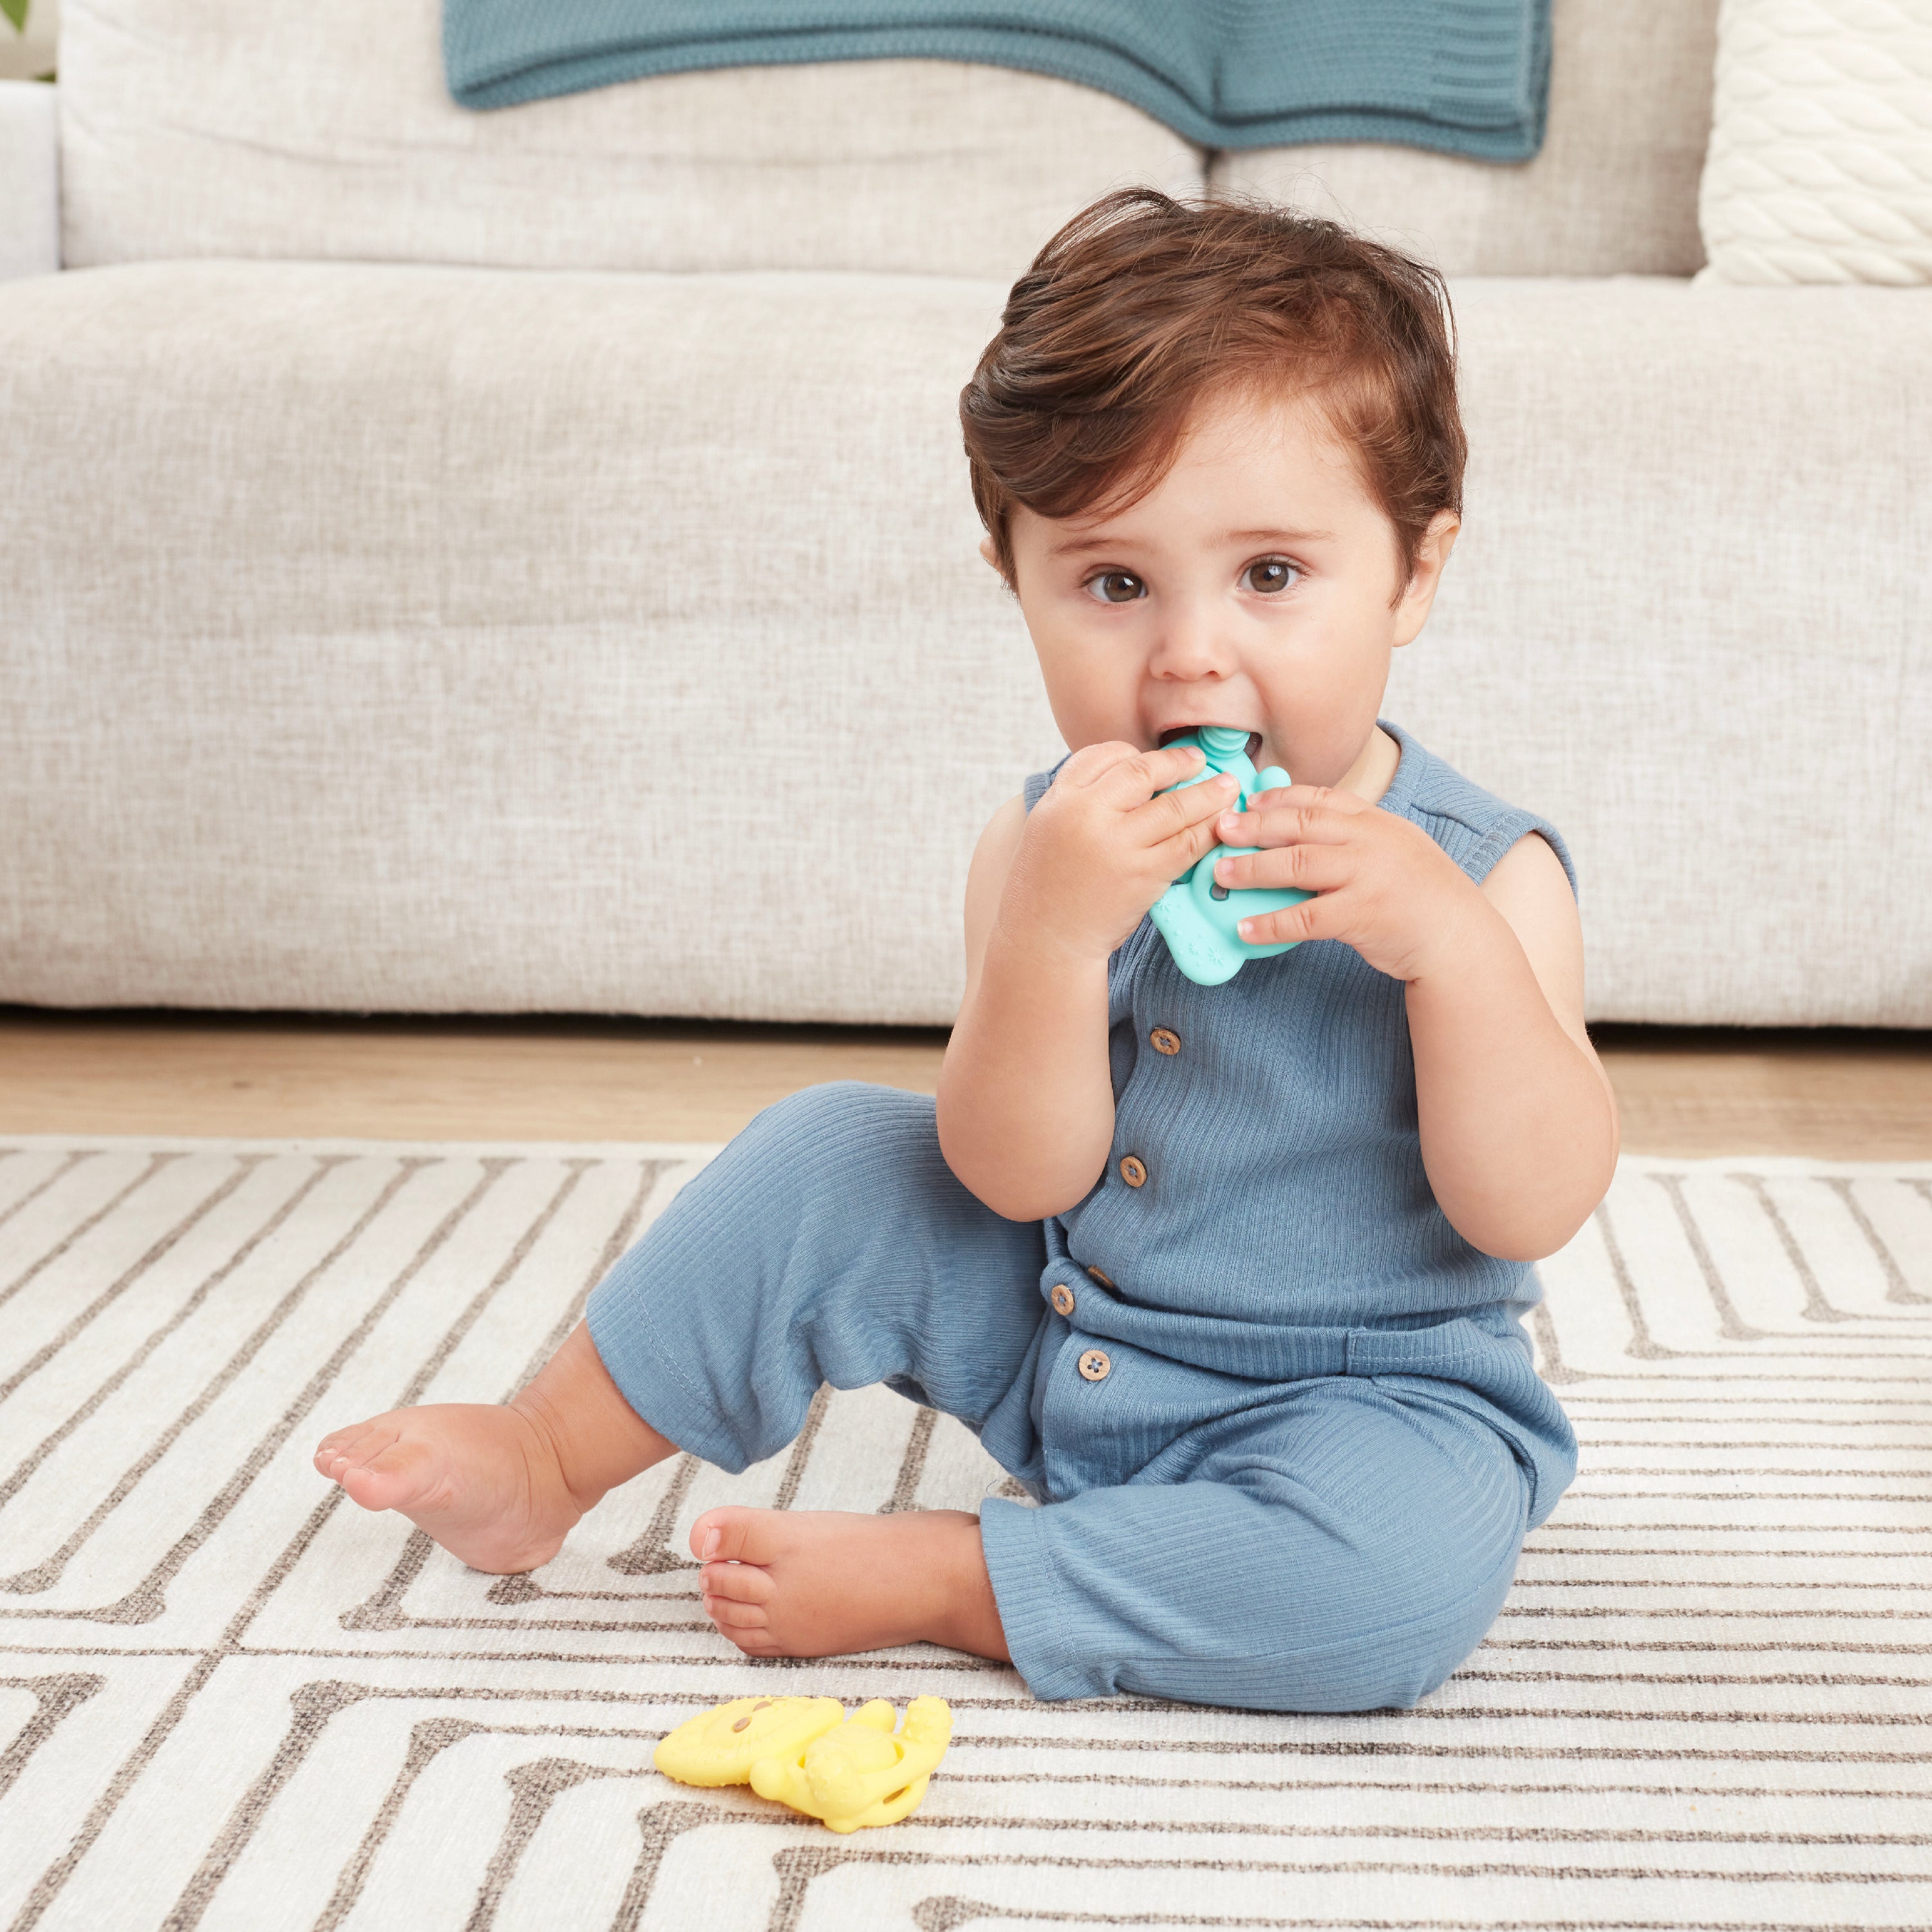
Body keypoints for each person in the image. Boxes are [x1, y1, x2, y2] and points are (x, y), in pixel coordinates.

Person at [314, 190, 1618, 1712]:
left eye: (1270, 575)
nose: (1191, 652)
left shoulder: (1488, 875)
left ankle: (970, 1579)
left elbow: (1529, 1201)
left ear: (1412, 573)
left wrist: (1448, 952)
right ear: (1016, 580)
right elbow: (1012, 1175)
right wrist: (1053, 939)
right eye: (1114, 584)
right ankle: (549, 1450)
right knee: (831, 1153)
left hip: (1368, 1408)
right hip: (1069, 1336)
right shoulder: (1042, 846)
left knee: (1389, 1593)